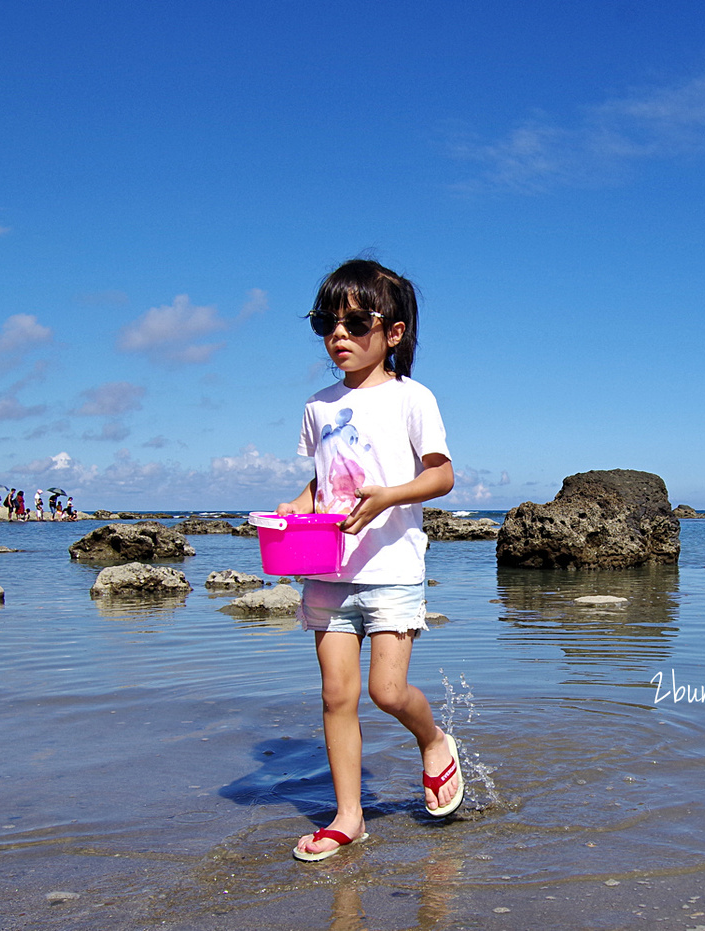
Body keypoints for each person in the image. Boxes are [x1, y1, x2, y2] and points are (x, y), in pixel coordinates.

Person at [278, 259, 460, 863]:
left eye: (356, 321)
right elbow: (321, 478)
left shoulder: (414, 398)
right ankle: (348, 817)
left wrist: (389, 495)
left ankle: (434, 742)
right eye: (326, 322)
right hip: (328, 571)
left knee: (386, 690)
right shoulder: (318, 406)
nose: (339, 334)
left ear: (395, 332)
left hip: (391, 570)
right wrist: (296, 506)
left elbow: (442, 475)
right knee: (336, 697)